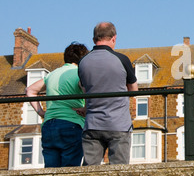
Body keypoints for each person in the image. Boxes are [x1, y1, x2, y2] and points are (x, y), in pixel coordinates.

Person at [78, 22, 138, 165]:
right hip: (118, 124)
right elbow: (133, 91)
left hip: (92, 124)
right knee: (119, 172)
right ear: (114, 38)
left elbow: (84, 89)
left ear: (94, 39)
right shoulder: (122, 59)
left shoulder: (83, 62)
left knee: (88, 174)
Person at [26, 42, 89, 167]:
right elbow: (86, 88)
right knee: (69, 172)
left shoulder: (52, 74)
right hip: (71, 122)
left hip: (48, 125)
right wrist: (86, 108)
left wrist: (41, 112)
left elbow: (30, 90)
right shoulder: (79, 73)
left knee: (50, 171)